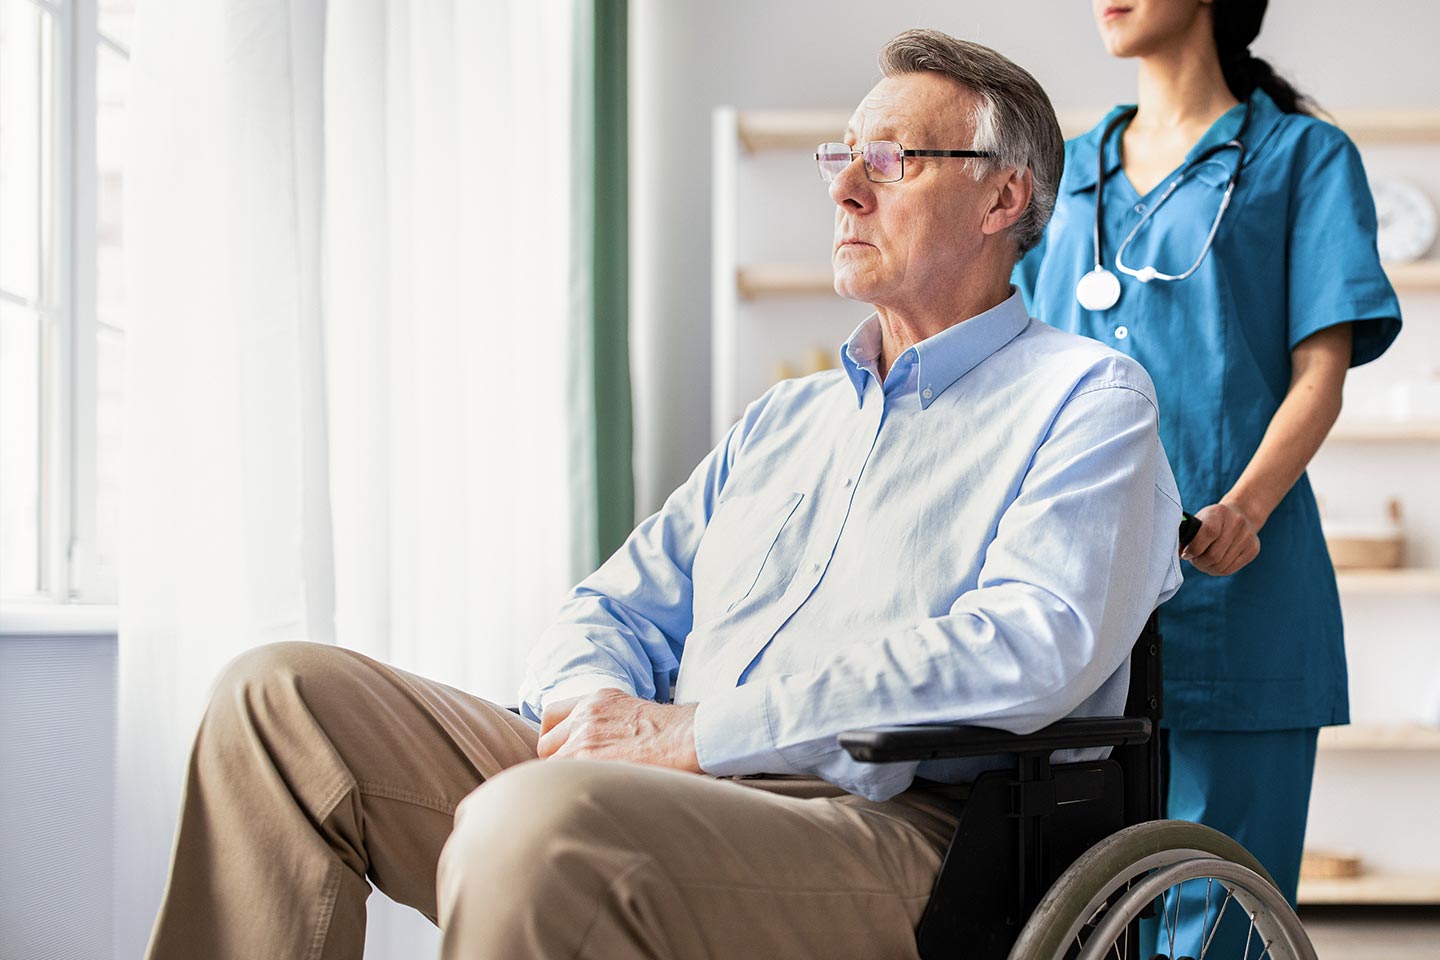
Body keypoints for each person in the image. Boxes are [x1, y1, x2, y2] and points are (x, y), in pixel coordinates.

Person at [145, 29, 1182, 960]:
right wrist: (596, 704)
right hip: (647, 776)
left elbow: (1029, 647)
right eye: (841, 159)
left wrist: (698, 734)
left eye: (889, 161)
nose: (844, 191)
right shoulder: (787, 420)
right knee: (277, 699)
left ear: (1004, 199)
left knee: (540, 822)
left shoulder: (1088, 401)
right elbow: (616, 605)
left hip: (884, 829)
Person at [1013, 0, 1402, 953]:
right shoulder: (1062, 174)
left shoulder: (1302, 157)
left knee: (1216, 921)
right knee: (1074, 919)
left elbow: (1321, 372)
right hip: (1074, 591)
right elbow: (1013, 370)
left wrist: (1246, 506)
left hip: (1240, 587)